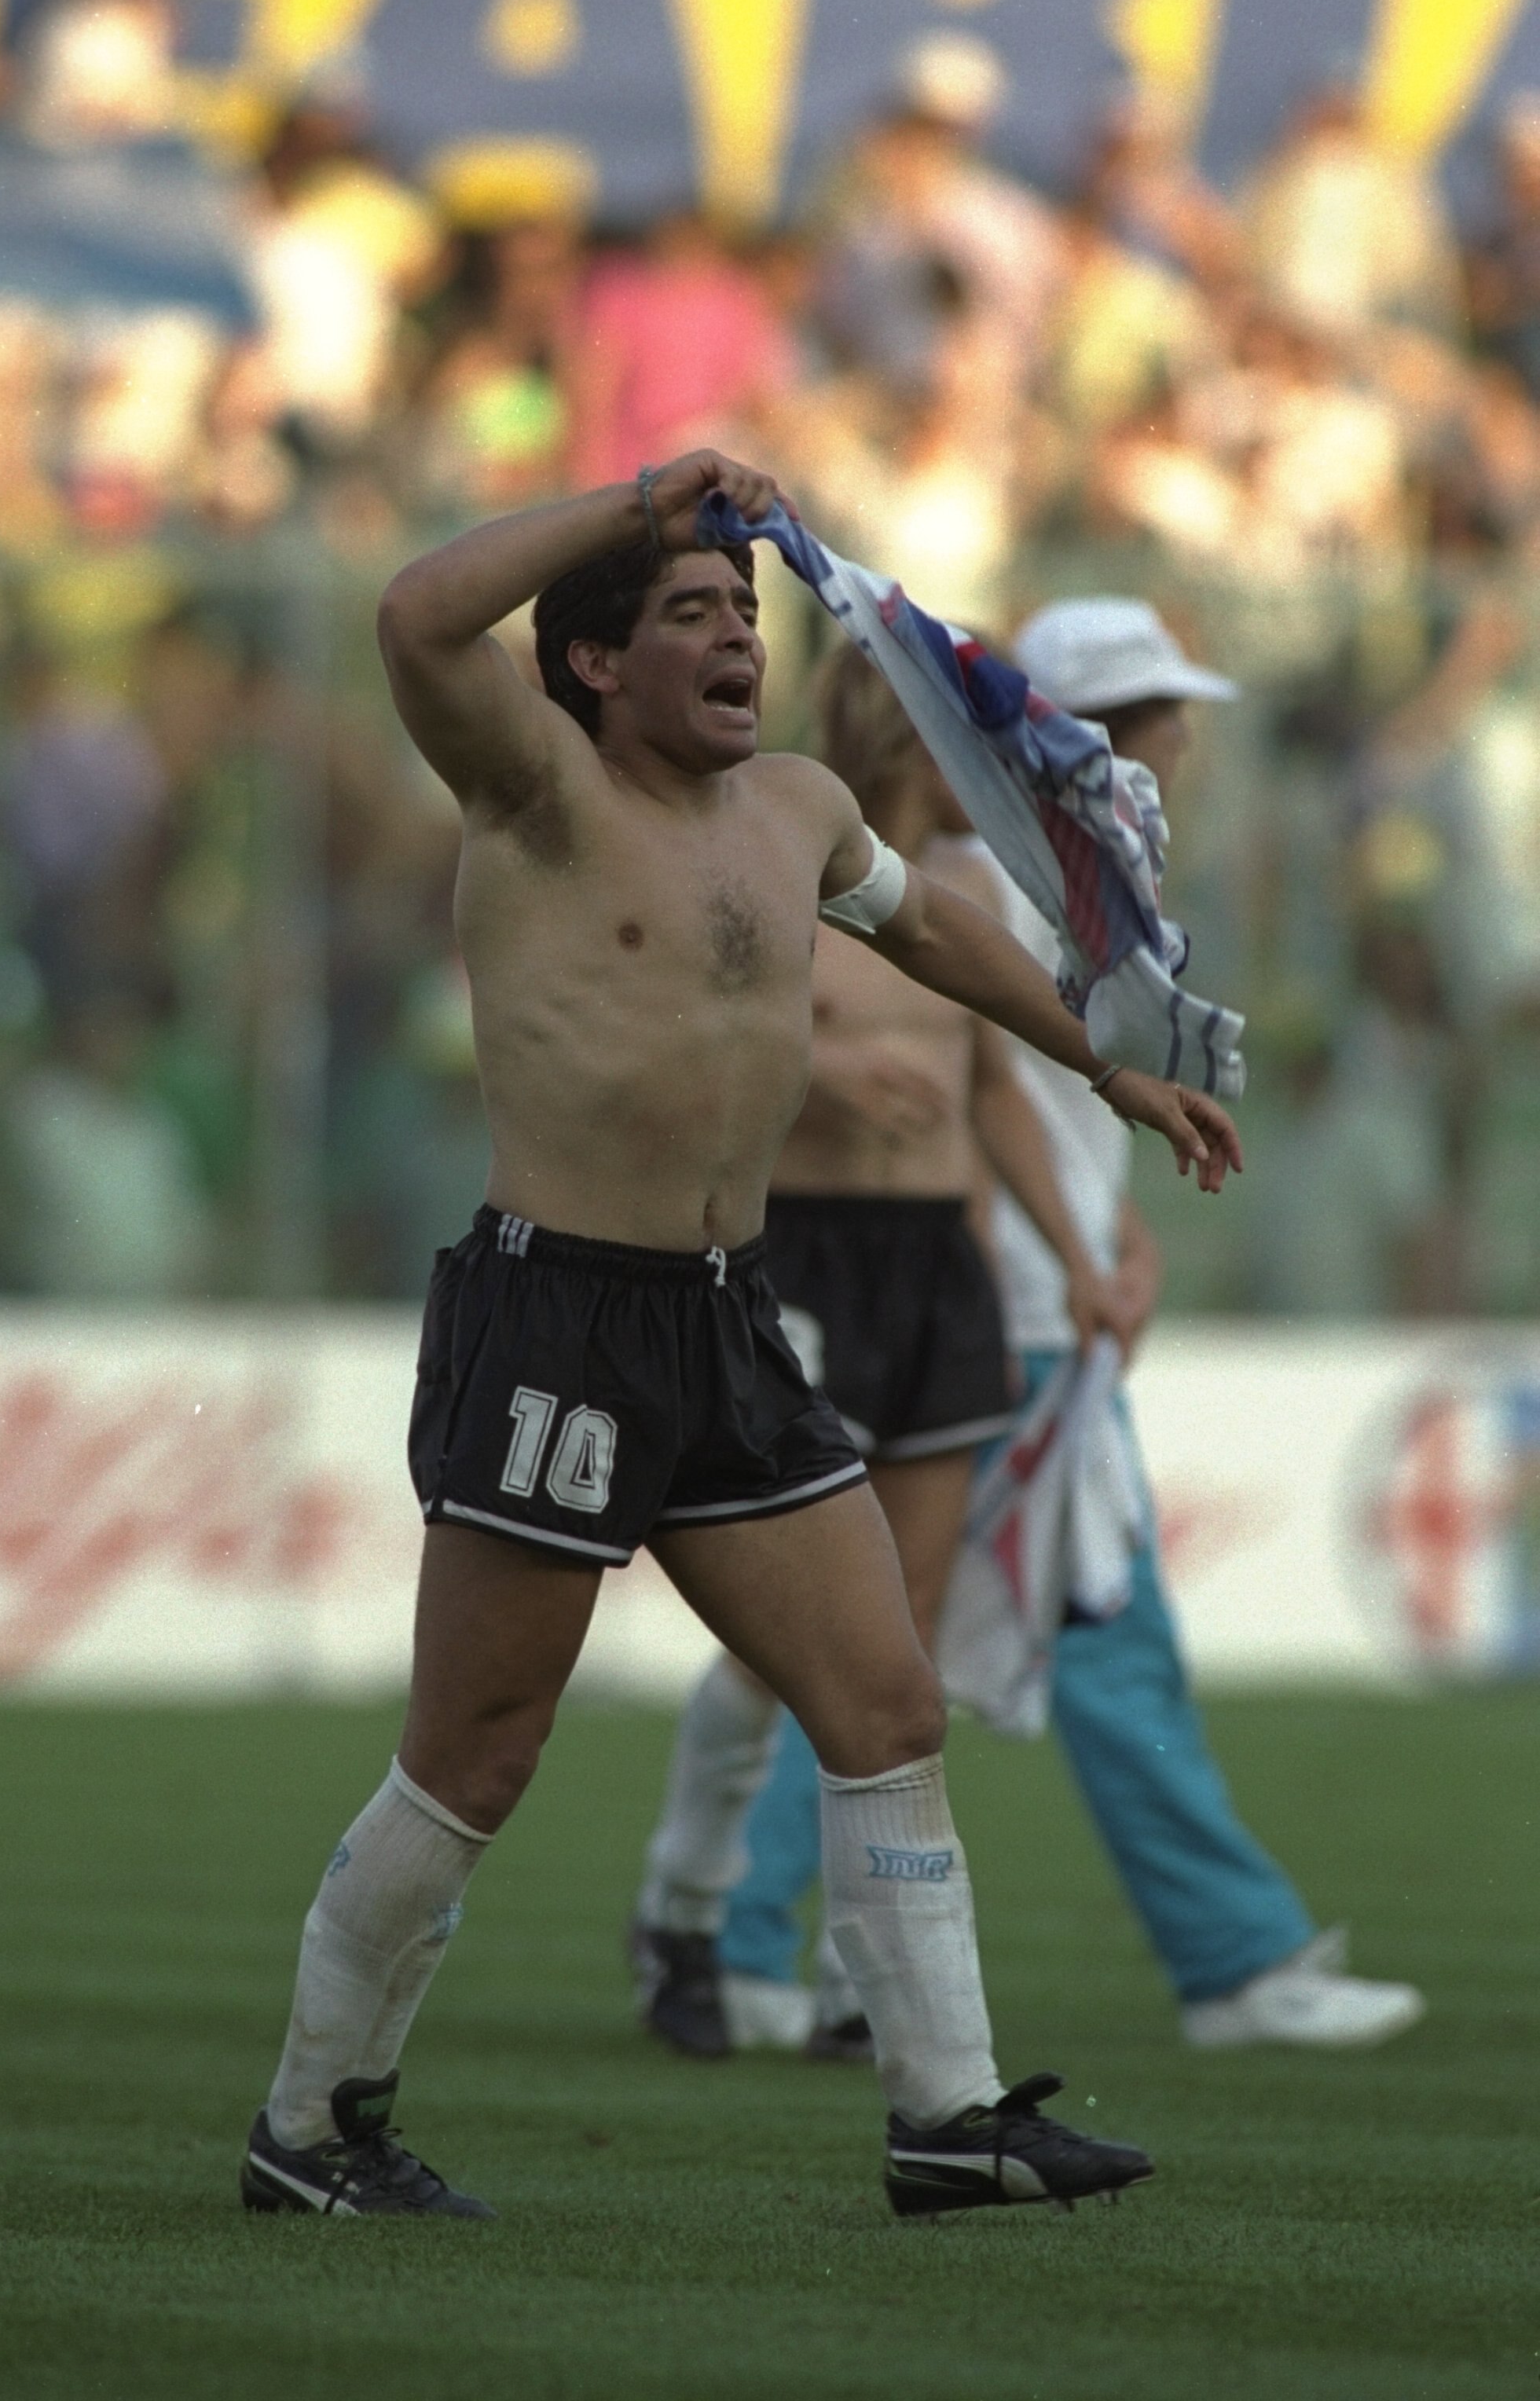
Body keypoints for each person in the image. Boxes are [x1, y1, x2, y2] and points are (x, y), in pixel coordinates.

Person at [239, 450, 1242, 2222]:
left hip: (726, 1321)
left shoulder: (794, 810)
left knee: (882, 1700)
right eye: (689, 613)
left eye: (744, 613)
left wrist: (1107, 1064)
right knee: (474, 1755)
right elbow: (414, 612)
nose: (736, 639)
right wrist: (639, 500)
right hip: (558, 1322)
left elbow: (930, 928)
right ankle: (314, 2129)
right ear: (597, 664)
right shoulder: (531, 783)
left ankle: (946, 2117)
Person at [705, 599, 1426, 2057]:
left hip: (1040, 1307)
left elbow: (1042, 1111)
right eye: (1155, 719)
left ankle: (738, 1940)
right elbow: (989, 1111)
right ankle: (1235, 1961)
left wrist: (1119, 1239)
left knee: (885, 1650)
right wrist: (1064, 1266)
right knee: (1090, 1642)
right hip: (1018, 1327)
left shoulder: (1043, 877)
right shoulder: (1004, 881)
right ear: (1084, 732)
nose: (1181, 744)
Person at [632, 640, 1127, 2057]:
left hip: (938, 1273)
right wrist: (827, 1065)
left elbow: (1000, 1103)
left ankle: (865, 1976)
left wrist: (1079, 1259)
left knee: (896, 1645)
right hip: (812, 1256)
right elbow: (693, 1043)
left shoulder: (969, 895)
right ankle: (683, 1905)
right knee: (785, 1636)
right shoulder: (791, 873)